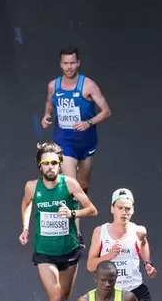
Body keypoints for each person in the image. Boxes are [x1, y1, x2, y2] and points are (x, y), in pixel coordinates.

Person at [19, 141, 97, 301]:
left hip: (69, 251)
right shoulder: (32, 187)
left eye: (54, 163)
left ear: (60, 165)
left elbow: (92, 209)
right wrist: (25, 228)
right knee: (54, 297)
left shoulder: (70, 185)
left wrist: (72, 213)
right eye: (46, 163)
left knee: (63, 297)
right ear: (39, 166)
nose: (51, 167)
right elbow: (26, 204)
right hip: (44, 253)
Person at [41, 47, 111, 195]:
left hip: (86, 142)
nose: (69, 67)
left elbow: (106, 111)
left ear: (78, 63)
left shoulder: (88, 86)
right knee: (70, 184)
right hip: (64, 141)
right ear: (60, 64)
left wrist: (88, 123)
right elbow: (49, 103)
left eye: (72, 63)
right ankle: (73, 217)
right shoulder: (53, 86)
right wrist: (47, 115)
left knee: (83, 183)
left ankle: (78, 208)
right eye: (65, 63)